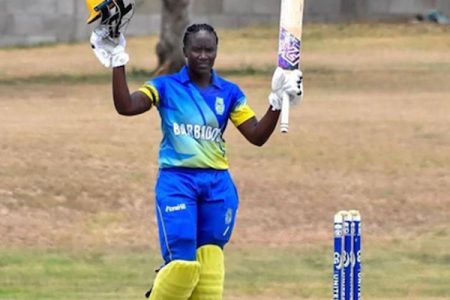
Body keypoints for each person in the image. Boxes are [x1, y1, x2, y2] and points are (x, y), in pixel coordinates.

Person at [90, 23, 303, 300]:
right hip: (177, 183)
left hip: (217, 187)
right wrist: (118, 61)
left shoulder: (229, 93)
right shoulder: (166, 87)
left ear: (216, 52)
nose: (203, 56)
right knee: (182, 268)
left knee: (210, 276)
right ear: (185, 52)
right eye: (197, 50)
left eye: (209, 50)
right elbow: (126, 106)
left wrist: (276, 102)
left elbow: (257, 136)